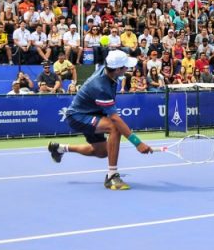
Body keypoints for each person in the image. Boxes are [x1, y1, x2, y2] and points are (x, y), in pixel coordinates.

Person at [47, 50, 153, 190]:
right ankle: (112, 176)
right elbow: (114, 118)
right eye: (125, 66)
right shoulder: (101, 87)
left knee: (103, 152)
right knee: (114, 127)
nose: (128, 68)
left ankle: (60, 149)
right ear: (117, 69)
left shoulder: (109, 70)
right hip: (78, 117)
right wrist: (137, 143)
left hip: (92, 113)